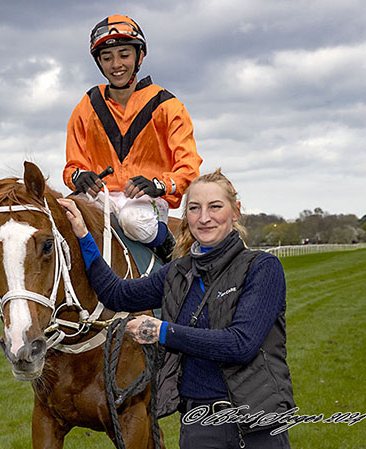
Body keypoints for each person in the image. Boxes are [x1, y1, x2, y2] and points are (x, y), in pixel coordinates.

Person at [57, 169, 294, 448]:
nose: (204, 217)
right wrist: (84, 236)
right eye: (194, 208)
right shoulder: (178, 272)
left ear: (235, 212)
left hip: (256, 421)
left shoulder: (262, 268)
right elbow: (117, 294)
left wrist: (163, 332)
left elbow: (240, 344)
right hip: (199, 424)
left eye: (215, 207)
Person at [63, 14, 202, 263]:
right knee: (63, 216)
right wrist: (79, 177)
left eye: (124, 55)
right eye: (107, 58)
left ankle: (174, 257)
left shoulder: (168, 105)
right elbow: (73, 166)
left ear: (140, 56)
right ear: (99, 63)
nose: (116, 64)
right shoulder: (86, 106)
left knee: (132, 221)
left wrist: (158, 184)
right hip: (100, 198)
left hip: (144, 201)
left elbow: (189, 169)